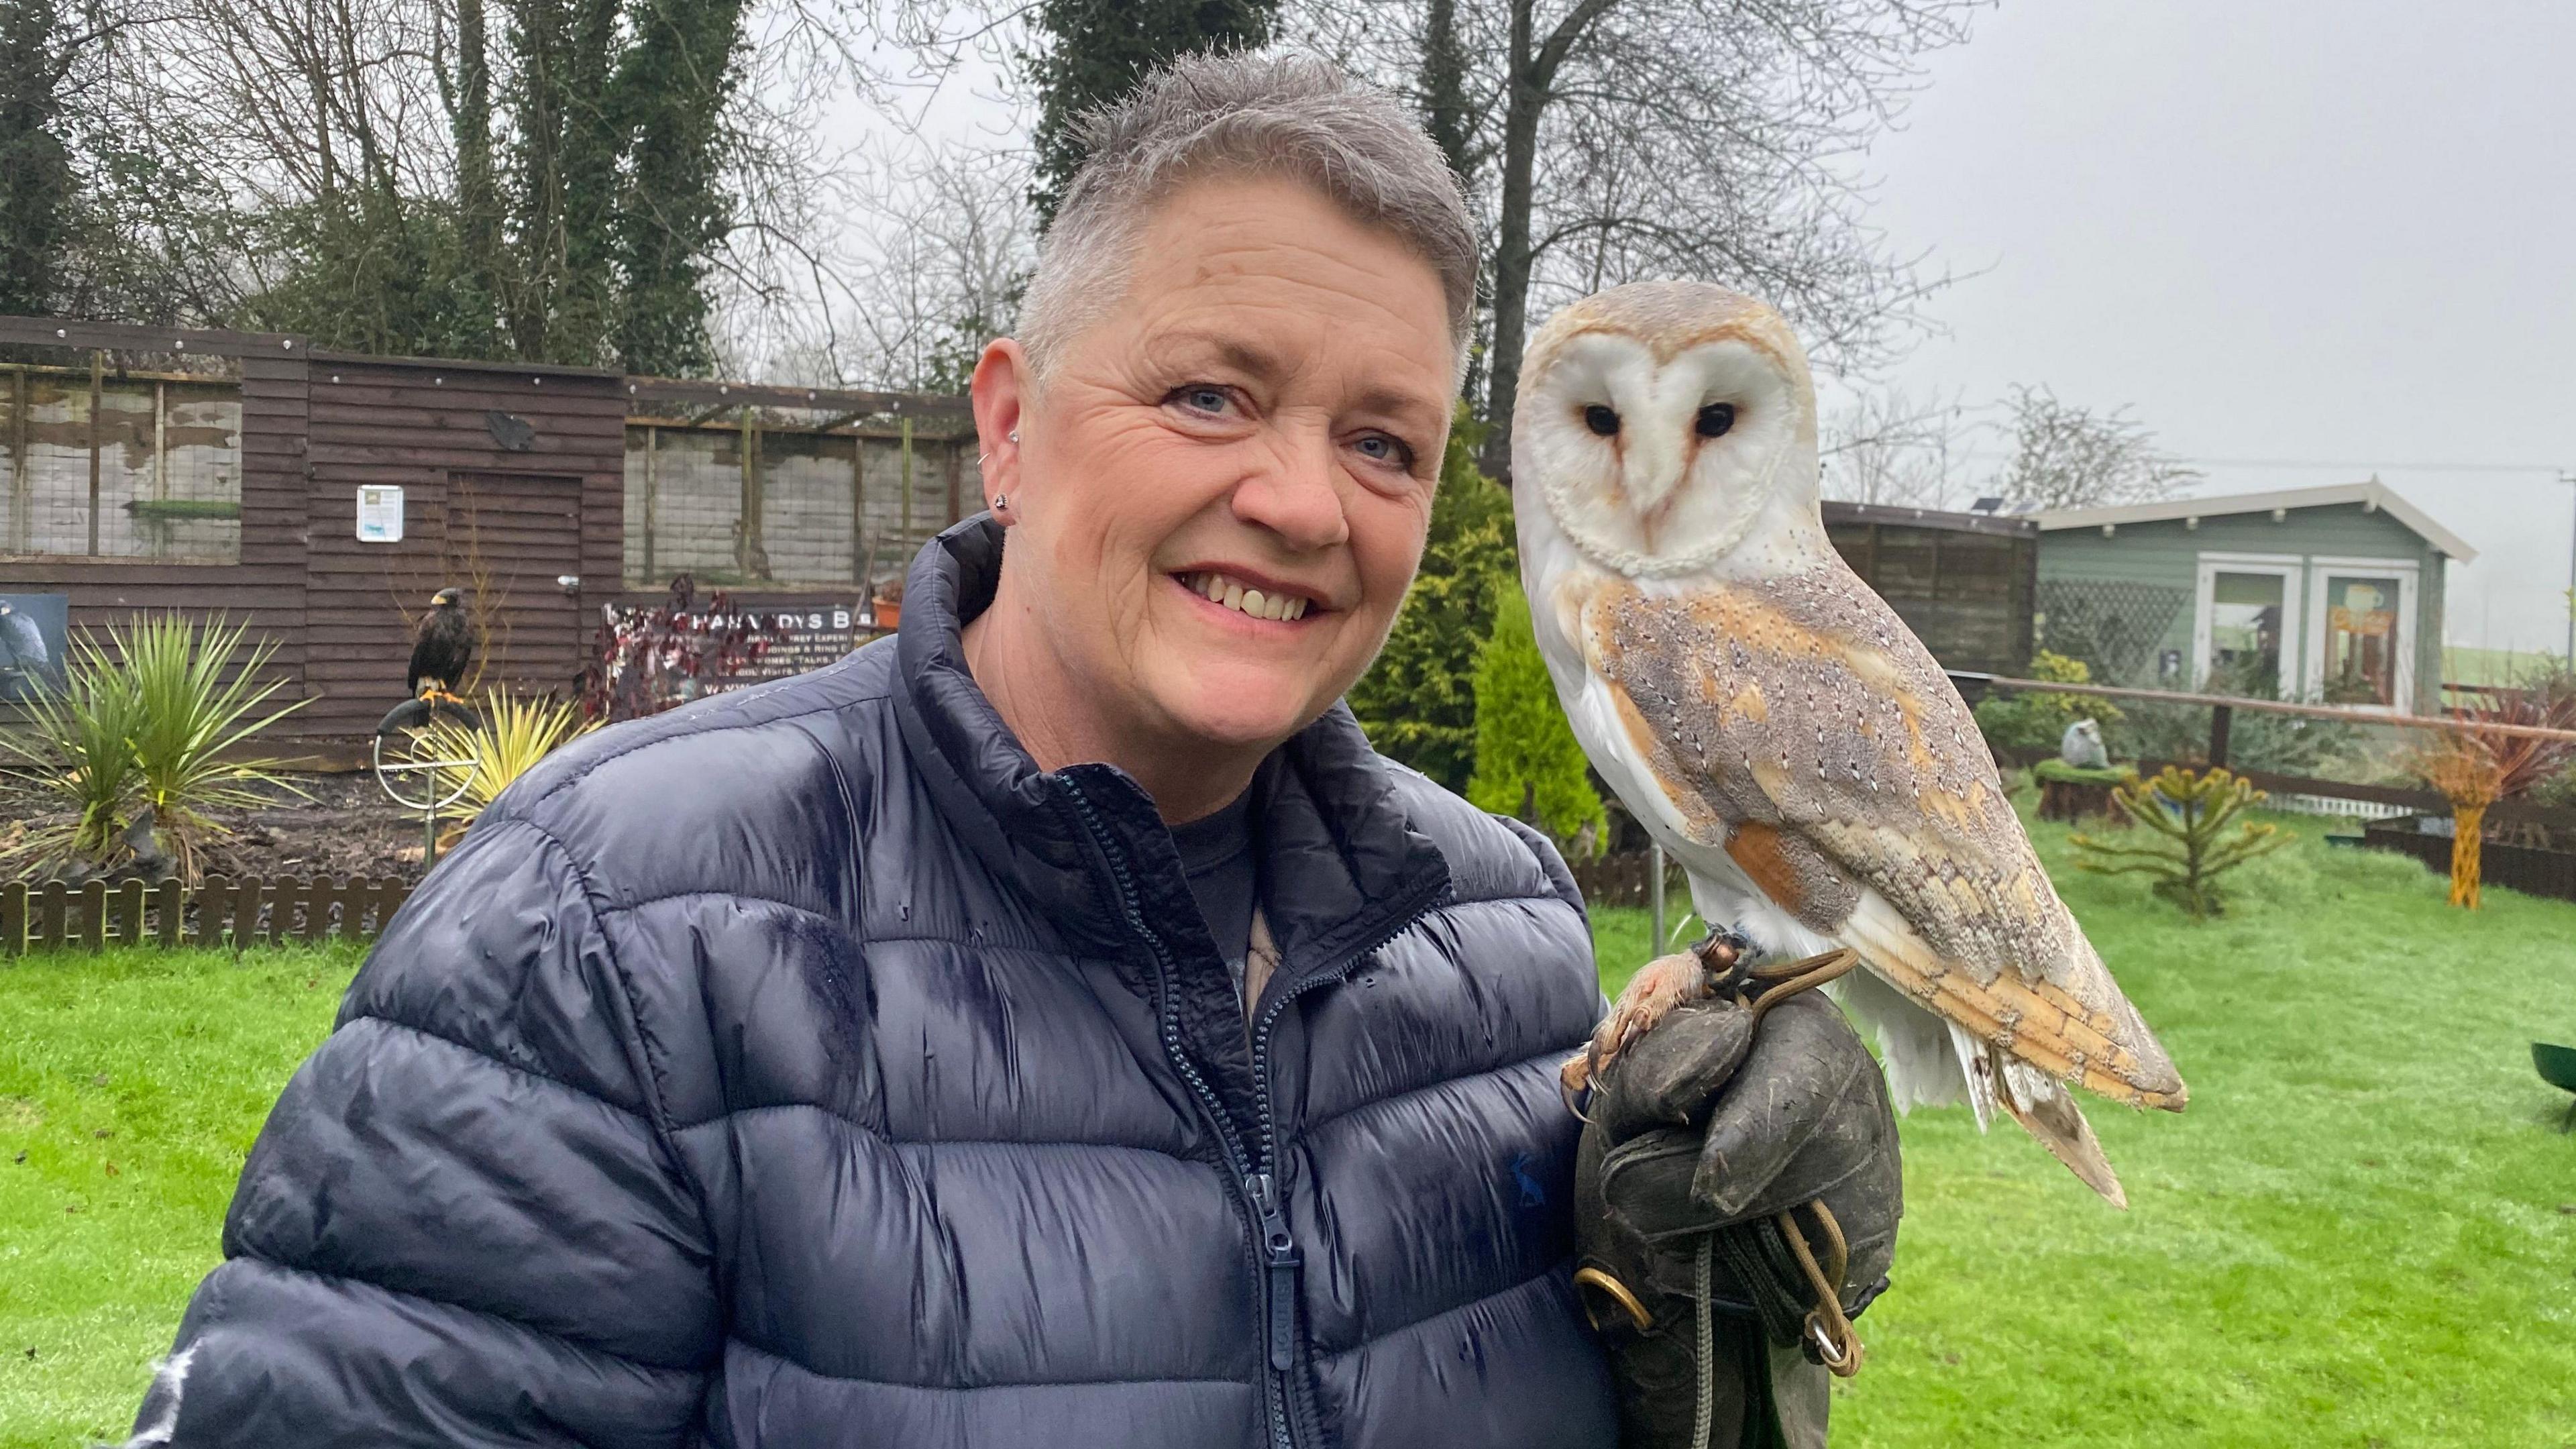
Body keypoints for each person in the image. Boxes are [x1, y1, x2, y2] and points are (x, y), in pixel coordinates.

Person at [131, 54, 1893, 1449]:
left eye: (1385, 442)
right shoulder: (609, 932)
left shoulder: (1501, 937)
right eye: (1208, 395)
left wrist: (1726, 1280)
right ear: (1008, 427)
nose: (1295, 501)